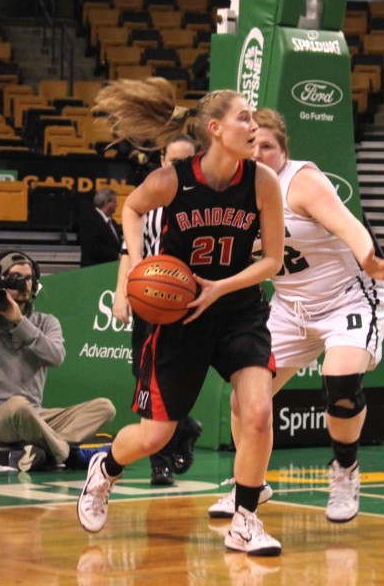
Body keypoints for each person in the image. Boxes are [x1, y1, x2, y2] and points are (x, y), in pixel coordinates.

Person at [76, 79, 286, 557]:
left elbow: (271, 259)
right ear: (215, 128)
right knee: (156, 435)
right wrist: (133, 266)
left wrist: (220, 288)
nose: (253, 126)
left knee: (256, 413)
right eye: (243, 118)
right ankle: (104, 469)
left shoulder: (262, 182)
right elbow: (131, 208)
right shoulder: (173, 181)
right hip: (177, 317)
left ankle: (246, 521)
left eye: (252, 119)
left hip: (237, 309)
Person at [207, 108, 384, 524]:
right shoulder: (239, 189)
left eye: (268, 146)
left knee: (342, 383)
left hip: (346, 298)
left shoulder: (302, 182)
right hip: (289, 307)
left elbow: (351, 226)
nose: (259, 152)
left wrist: (369, 258)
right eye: (252, 145)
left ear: (283, 150)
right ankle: (250, 487)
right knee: (246, 399)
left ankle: (345, 470)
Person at [0, 251, 116, 471]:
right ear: (2, 283)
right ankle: (67, 454)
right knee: (18, 405)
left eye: (28, 278)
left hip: (36, 414)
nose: (24, 284)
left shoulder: (46, 322)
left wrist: (19, 321)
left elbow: (56, 357)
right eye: (15, 279)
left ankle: (42, 450)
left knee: (104, 408)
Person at [112, 133, 203, 487]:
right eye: (172, 161)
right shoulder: (149, 199)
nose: (178, 167)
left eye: (186, 161)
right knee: (144, 375)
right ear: (162, 160)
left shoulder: (203, 200)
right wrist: (122, 293)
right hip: (152, 301)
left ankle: (171, 446)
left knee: (170, 382)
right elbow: (126, 252)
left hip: (190, 304)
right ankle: (175, 442)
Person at [79, 188, 122, 267]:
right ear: (106, 202)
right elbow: (92, 247)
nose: (117, 204)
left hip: (110, 269)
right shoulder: (90, 220)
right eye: (114, 201)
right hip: (94, 270)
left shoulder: (113, 223)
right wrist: (116, 256)